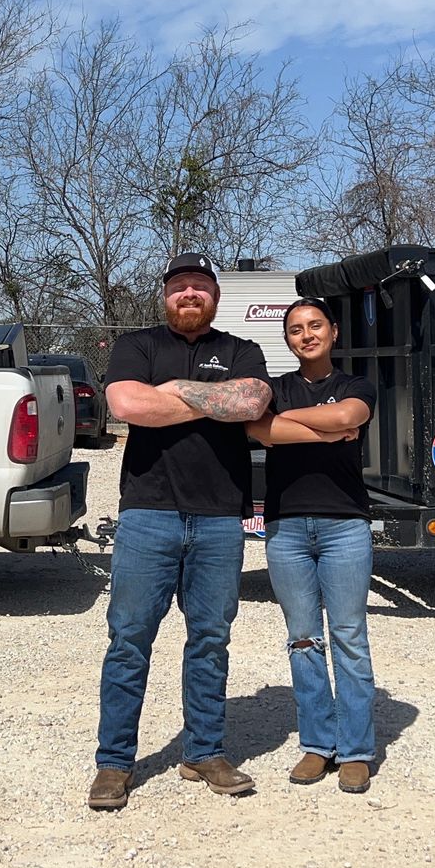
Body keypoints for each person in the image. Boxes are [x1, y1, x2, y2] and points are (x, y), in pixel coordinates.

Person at [87, 252, 272, 812]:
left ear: (215, 295)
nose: (189, 294)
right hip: (148, 513)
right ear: (165, 295)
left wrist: (172, 393)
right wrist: (212, 401)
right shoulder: (136, 346)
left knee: (211, 640)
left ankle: (205, 752)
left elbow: (254, 400)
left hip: (220, 517)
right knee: (129, 640)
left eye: (199, 286)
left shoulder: (244, 350)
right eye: (179, 287)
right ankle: (114, 764)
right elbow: (125, 404)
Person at [245, 298, 379, 793]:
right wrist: (326, 432)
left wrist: (295, 426)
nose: (306, 335)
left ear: (333, 331)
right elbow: (259, 428)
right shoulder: (273, 388)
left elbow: (351, 413)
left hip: (345, 525)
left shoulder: (354, 384)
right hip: (286, 528)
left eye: (315, 325)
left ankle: (358, 750)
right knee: (303, 638)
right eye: (296, 329)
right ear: (288, 338)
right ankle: (317, 745)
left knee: (348, 636)